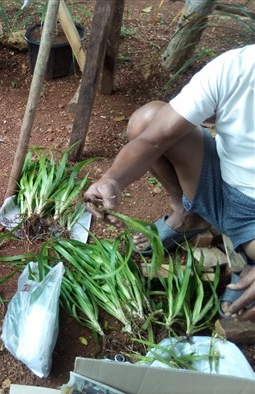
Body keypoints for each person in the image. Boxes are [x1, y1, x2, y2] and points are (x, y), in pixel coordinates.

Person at [84, 44, 255, 322]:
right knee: (147, 120)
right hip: (218, 178)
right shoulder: (236, 67)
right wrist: (112, 178)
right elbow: (153, 140)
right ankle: (189, 214)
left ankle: (248, 264)